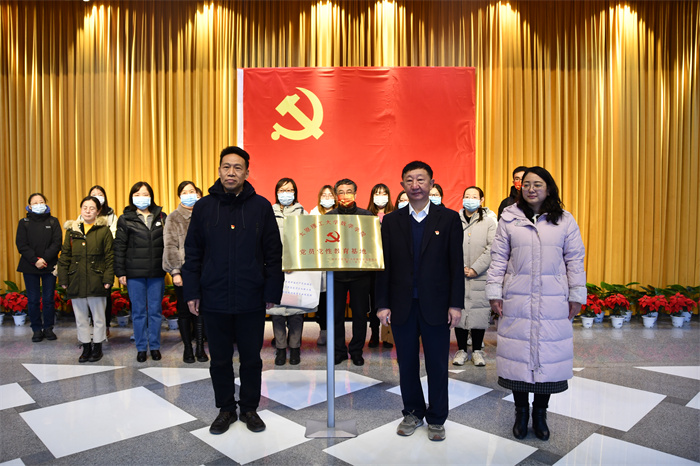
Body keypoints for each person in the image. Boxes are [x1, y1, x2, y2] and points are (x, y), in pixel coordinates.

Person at [182, 146, 283, 435]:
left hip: (251, 297)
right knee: (220, 359)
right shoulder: (204, 207)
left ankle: (249, 408)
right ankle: (226, 409)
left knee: (251, 359)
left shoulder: (261, 206)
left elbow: (273, 253)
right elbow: (193, 253)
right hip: (214, 296)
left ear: (247, 173)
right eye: (226, 167)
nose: (231, 172)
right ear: (219, 170)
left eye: (238, 168)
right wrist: (192, 292)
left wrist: (271, 292)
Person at [486, 166, 585, 441]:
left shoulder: (564, 220)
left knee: (548, 357)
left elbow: (575, 259)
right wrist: (494, 292)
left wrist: (576, 294)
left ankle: (540, 414)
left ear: (549, 188)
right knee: (518, 357)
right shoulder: (509, 218)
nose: (531, 189)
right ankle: (520, 413)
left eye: (537, 184)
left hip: (553, 300)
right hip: (517, 298)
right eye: (527, 184)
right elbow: (498, 258)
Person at [376, 161, 464, 441]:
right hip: (402, 305)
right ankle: (412, 412)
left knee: (437, 363)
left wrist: (455, 304)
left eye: (421, 180)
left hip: (437, 305)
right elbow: (384, 266)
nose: (415, 185)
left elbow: (455, 264)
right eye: (410, 180)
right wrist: (382, 304)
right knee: (407, 363)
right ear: (402, 185)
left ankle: (437, 417)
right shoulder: (392, 221)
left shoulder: (448, 219)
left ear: (432, 183)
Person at [114, 182, 167, 363]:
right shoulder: (125, 218)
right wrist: (120, 271)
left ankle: (155, 346)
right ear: (131, 197)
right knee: (138, 312)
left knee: (155, 311)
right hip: (134, 273)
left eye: (145, 194)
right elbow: (119, 247)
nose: (141, 198)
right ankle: (141, 347)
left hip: (156, 272)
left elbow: (168, 244)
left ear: (151, 196)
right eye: (137, 194)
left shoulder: (162, 216)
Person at [58, 196, 114, 363]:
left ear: (98, 211)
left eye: (92, 208)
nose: (88, 211)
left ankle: (97, 347)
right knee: (80, 317)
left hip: (97, 279)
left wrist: (108, 279)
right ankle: (86, 347)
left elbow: (110, 257)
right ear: (81, 209)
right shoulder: (72, 231)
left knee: (99, 317)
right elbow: (65, 256)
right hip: (76, 279)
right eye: (85, 207)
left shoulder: (104, 231)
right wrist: (63, 278)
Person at [326, 178, 374, 366]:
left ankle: (356, 351)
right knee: (335, 315)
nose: (345, 195)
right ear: (336, 195)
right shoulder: (328, 217)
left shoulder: (366, 216)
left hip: (360, 275)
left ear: (355, 194)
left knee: (360, 315)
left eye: (349, 192)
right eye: (341, 192)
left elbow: (372, 245)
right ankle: (339, 351)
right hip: (335, 275)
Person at [163, 181, 208, 364]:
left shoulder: (205, 214)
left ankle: (200, 348)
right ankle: (188, 348)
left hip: (204, 271)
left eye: (192, 191)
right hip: (183, 271)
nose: (189, 194)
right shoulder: (173, 217)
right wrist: (175, 272)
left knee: (201, 311)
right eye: (185, 192)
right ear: (179, 195)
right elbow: (170, 246)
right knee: (185, 311)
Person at [453, 186, 496, 367]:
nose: (470, 199)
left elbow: (492, 247)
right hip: (458, 274)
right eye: (467, 196)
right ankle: (462, 350)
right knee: (459, 312)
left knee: (479, 311)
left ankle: (477, 350)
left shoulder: (490, 222)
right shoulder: (454, 220)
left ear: (481, 200)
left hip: (481, 274)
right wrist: (461, 267)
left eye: (474, 196)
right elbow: (450, 245)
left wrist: (476, 269)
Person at [269, 177, 308, 366]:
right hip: (275, 268)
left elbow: (307, 240)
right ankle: (280, 348)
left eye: (289, 190)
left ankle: (294, 348)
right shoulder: (270, 211)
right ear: (276, 192)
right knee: (276, 311)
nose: (286, 194)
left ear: (295, 192)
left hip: (296, 269)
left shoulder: (302, 212)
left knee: (295, 312)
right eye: (282, 190)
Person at [15, 193, 62, 342]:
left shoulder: (53, 221)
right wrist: (35, 260)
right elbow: (21, 244)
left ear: (46, 204)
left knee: (48, 299)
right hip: (30, 266)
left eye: (41, 202)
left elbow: (57, 243)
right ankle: (36, 329)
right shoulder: (24, 223)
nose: (38, 205)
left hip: (49, 265)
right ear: (29, 206)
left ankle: (48, 328)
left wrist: (44, 259)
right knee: (33, 299)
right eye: (35, 203)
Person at [82, 185, 118, 336]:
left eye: (100, 194)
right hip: (86, 261)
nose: (97, 196)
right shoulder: (82, 216)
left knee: (105, 295)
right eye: (93, 194)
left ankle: (105, 326)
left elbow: (114, 236)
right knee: (88, 295)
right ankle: (91, 326)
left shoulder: (112, 216)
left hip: (104, 259)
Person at [366, 183, 394, 349]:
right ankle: (374, 333)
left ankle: (388, 335)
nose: (380, 197)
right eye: (377, 194)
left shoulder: (395, 215)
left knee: (389, 299)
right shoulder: (366, 216)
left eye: (384, 193)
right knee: (374, 300)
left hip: (390, 265)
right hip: (372, 266)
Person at [309, 185, 337, 346]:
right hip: (319, 265)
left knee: (336, 301)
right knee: (322, 301)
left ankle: (335, 332)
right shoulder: (313, 214)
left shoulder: (340, 214)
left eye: (330, 195)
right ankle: (324, 331)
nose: (327, 198)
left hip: (337, 262)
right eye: (324, 195)